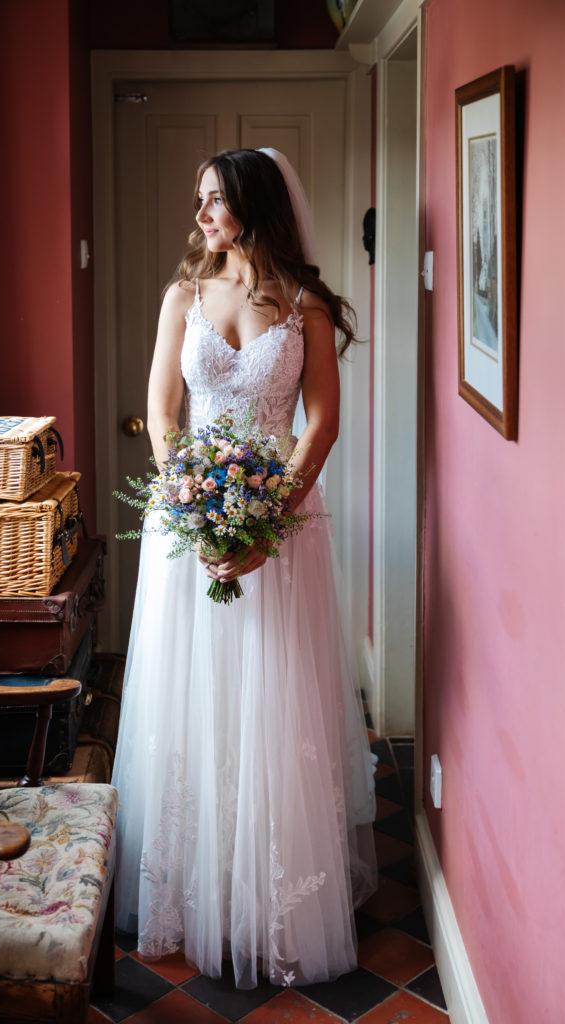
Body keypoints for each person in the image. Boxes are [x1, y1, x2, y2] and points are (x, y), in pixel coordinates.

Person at [111, 148, 377, 990]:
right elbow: (160, 412)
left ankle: (272, 895)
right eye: (198, 202)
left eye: (214, 202)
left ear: (253, 205)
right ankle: (188, 889)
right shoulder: (182, 297)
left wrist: (265, 521)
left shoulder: (301, 305)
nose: (199, 217)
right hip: (186, 529)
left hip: (282, 533)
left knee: (270, 697)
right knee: (189, 698)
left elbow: (322, 423)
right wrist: (192, 504)